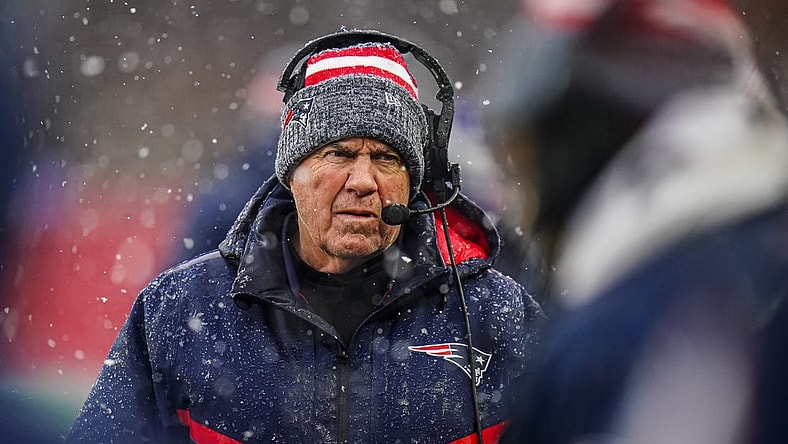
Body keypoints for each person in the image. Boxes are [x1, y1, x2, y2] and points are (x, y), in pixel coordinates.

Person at [67, 29, 544, 443]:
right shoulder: (177, 310)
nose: (363, 180)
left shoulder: (501, 317)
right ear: (291, 173)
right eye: (338, 153)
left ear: (415, 182)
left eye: (386, 158)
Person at [488, 0, 788, 443]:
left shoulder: (643, 326)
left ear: (577, 134)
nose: (518, 197)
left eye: (523, 154)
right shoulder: (746, 252)